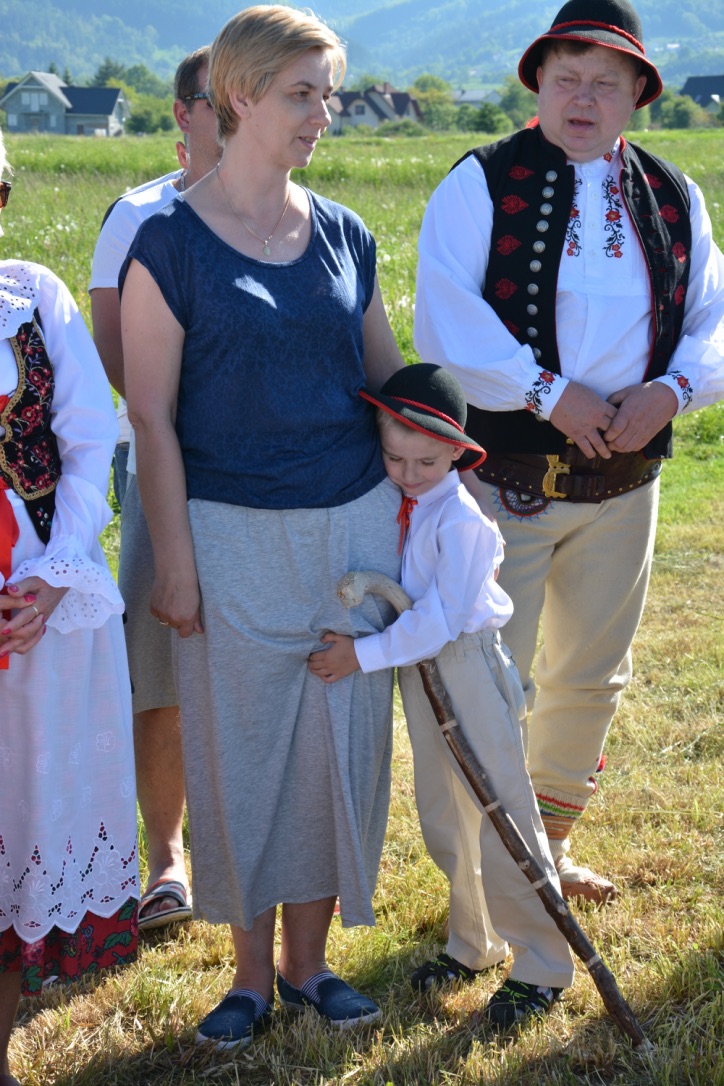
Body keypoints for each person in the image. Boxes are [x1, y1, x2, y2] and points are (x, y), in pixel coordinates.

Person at [120, 4, 405, 1050]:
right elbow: (151, 417)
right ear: (240, 95)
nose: (323, 114)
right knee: (242, 757)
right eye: (302, 94)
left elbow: (388, 384)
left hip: (353, 533)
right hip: (228, 533)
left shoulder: (344, 232)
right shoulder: (167, 245)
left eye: (329, 94)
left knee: (337, 750)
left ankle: (309, 967)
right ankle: (246, 977)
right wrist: (176, 562)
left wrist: (450, 479)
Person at [414, 0, 724, 907]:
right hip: (504, 483)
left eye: (604, 83)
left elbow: (712, 316)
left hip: (626, 482)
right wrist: (549, 391)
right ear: (539, 85)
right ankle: (483, 887)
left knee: (591, 675)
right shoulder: (480, 182)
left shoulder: (674, 194)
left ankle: (548, 849)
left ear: (636, 96)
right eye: (567, 79)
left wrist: (672, 392)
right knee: (486, 679)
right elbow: (445, 320)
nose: (583, 99)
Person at [308, 363, 575, 1028]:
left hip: (464, 665)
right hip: (421, 671)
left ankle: (542, 965)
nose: (407, 473)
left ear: (458, 452)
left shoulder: (462, 521)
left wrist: (360, 656)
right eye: (394, 457)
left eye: (425, 461)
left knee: (501, 808)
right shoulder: (403, 503)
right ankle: (475, 941)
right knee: (445, 813)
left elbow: (440, 619)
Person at [0, 128, 139, 1085]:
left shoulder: (32, 296)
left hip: (38, 602)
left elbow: (91, 442)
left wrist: (56, 571)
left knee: (24, 817)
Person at [89, 46, 221, 932]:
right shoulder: (137, 215)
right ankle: (168, 858)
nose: (238, 113)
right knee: (161, 661)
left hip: (261, 476)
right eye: (220, 99)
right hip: (158, 463)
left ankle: (241, 840)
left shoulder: (291, 212)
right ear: (182, 113)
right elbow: (116, 358)